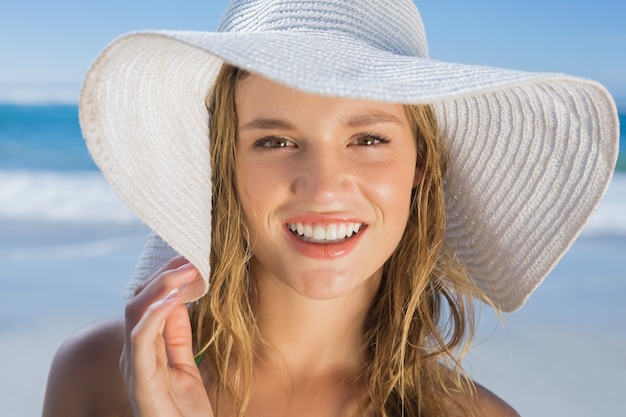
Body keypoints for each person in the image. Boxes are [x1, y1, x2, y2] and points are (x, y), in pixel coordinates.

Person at [42, 1, 619, 416]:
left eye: (368, 139)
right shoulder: (98, 375)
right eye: (274, 141)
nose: (322, 186)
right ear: (224, 168)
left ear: (421, 168)